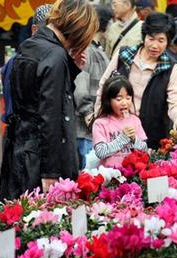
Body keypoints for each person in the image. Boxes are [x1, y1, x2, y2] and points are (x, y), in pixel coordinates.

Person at [0, 0, 99, 201]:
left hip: (20, 149)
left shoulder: (30, 45)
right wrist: (50, 172)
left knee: (19, 217)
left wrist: (71, 70)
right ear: (78, 29)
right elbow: (51, 117)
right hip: (40, 158)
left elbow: (34, 97)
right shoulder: (56, 55)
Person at [94, 12, 177, 149]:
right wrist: (98, 118)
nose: (154, 45)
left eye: (161, 41)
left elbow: (176, 100)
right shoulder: (123, 56)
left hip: (149, 138)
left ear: (168, 42)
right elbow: (103, 87)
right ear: (144, 37)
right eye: (151, 39)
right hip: (114, 132)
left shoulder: (172, 69)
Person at [74, 4, 112, 170]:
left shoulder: (96, 49)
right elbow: (80, 89)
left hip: (94, 128)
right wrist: (90, 115)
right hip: (86, 129)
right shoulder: (86, 50)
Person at [0, 4, 52, 124]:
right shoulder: (24, 61)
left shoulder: (51, 59)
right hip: (27, 133)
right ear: (34, 29)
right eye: (48, 32)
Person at [93, 75, 148, 168]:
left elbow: (145, 149)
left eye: (128, 98)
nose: (124, 102)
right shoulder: (100, 123)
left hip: (132, 175)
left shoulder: (135, 120)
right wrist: (123, 138)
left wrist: (134, 139)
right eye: (119, 99)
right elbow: (100, 152)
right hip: (110, 176)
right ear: (108, 100)